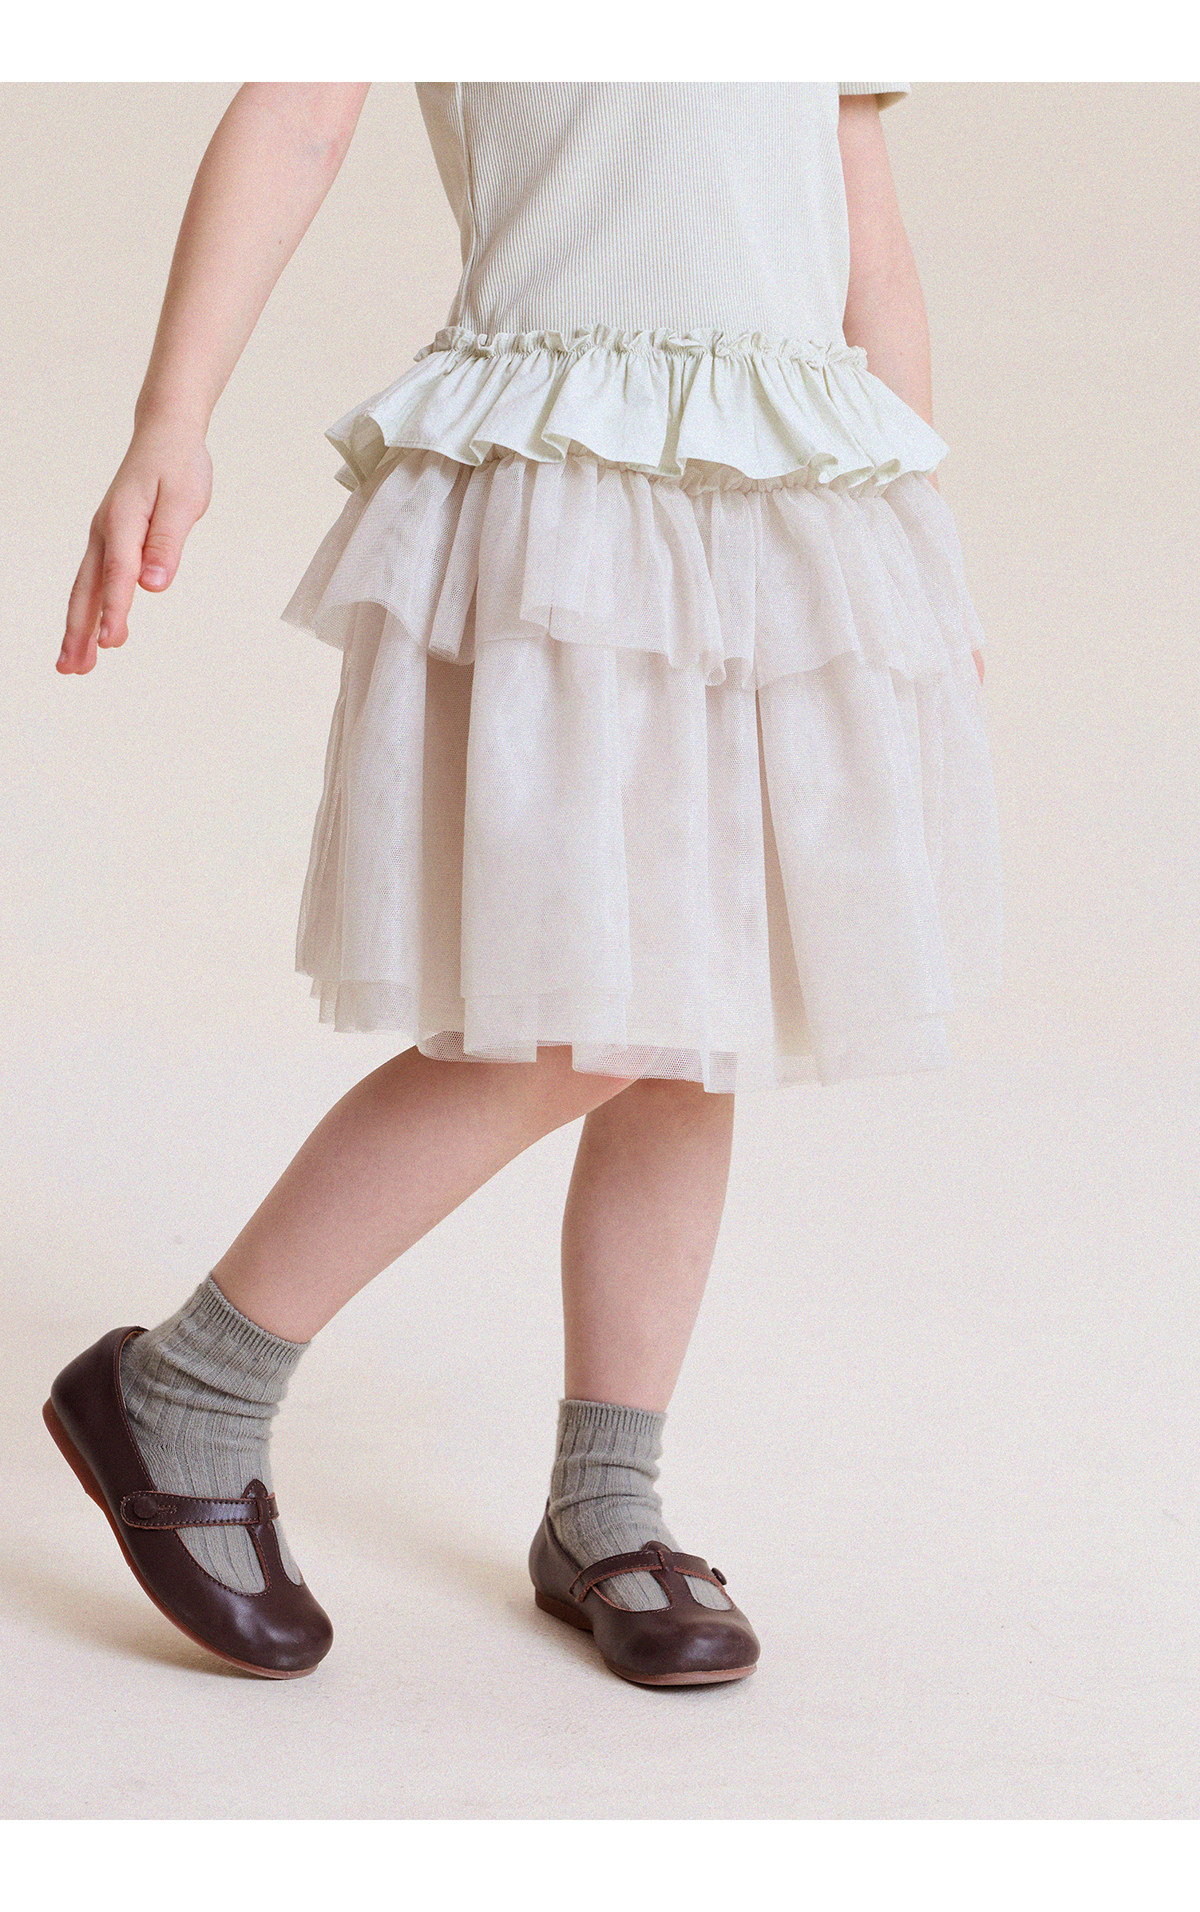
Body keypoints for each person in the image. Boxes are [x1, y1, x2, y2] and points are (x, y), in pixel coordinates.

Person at [45, 81, 1003, 1689]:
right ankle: (190, 1384)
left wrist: (913, 532)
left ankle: (607, 1500)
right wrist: (173, 412)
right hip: (573, 473)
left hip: (782, 488)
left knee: (694, 1025)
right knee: (592, 1016)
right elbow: (300, 111)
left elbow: (866, 219)